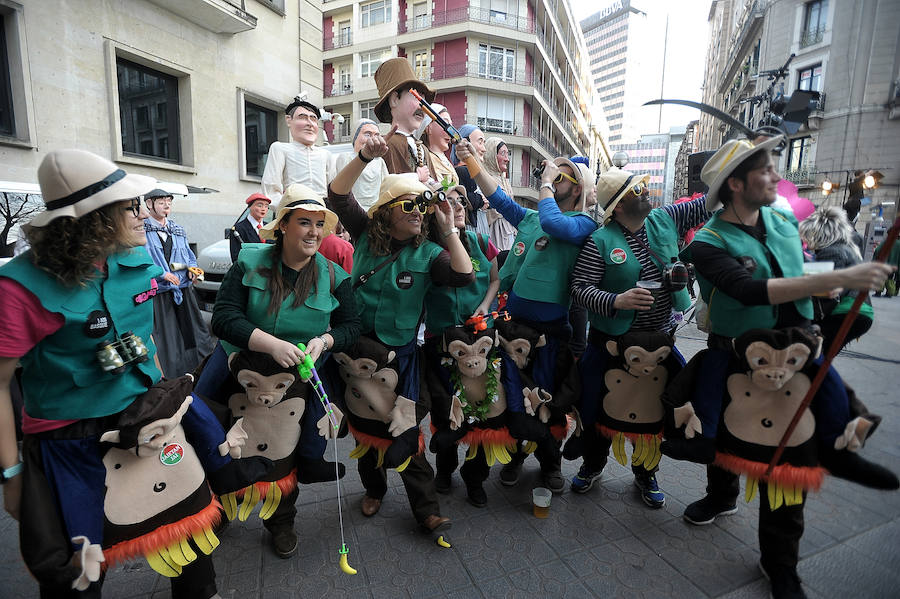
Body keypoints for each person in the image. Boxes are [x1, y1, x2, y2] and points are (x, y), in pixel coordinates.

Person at [0, 149, 268, 598]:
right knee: (77, 565)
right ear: (95, 217)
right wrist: (11, 477)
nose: (144, 214)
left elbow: (149, 344)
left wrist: (167, 397)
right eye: (132, 206)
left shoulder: (138, 263)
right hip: (72, 443)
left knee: (189, 529)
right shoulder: (22, 287)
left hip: (150, 420)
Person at [668, 136, 897, 599]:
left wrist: (825, 284)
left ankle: (781, 563)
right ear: (735, 183)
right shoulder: (707, 244)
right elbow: (750, 289)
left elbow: (797, 271)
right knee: (720, 440)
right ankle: (722, 495)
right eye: (766, 170)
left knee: (788, 463)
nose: (778, 176)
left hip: (792, 359)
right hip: (735, 359)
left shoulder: (783, 219)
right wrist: (842, 276)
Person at [327, 129, 474, 537]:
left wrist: (447, 228)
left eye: (421, 207)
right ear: (386, 211)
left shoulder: (430, 252)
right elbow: (337, 196)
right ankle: (373, 489)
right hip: (355, 355)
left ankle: (426, 510)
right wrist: (362, 158)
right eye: (408, 205)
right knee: (366, 426)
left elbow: (464, 275)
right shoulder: (364, 235)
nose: (417, 213)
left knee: (406, 431)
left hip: (402, 360)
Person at [211, 183, 361, 558]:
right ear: (282, 226)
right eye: (303, 222)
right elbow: (223, 319)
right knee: (206, 417)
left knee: (301, 437)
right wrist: (270, 344)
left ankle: (281, 520)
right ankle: (217, 508)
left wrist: (325, 342)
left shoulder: (333, 275)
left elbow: (351, 326)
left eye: (318, 223)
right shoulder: (248, 261)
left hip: (303, 369)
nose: (313, 232)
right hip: (239, 360)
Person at [456, 140, 597, 493]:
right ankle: (516, 456)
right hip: (514, 328)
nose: (551, 178)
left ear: (577, 186)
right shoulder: (534, 217)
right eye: (552, 175)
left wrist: (546, 182)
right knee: (513, 399)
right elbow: (500, 200)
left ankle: (550, 463)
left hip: (551, 334)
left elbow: (555, 225)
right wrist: (472, 160)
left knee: (547, 400)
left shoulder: (582, 223)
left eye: (561, 175)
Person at [567, 167, 711, 508]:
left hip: (658, 340)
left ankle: (646, 471)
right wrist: (617, 300)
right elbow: (579, 290)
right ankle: (593, 462)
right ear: (617, 205)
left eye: (644, 186)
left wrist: (739, 164)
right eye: (637, 189)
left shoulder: (664, 218)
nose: (646, 192)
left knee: (654, 410)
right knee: (598, 404)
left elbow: (709, 203)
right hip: (611, 341)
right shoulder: (600, 241)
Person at [420, 184, 503, 506]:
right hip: (442, 342)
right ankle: (445, 467)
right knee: (446, 409)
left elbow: (495, 279)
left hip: (481, 339)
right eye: (447, 203)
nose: (454, 207)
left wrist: (486, 304)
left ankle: (475, 477)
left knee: (484, 409)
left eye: (459, 202)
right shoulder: (427, 249)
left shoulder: (481, 242)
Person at [142, 188, 215, 378]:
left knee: (192, 334)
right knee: (166, 338)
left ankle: (198, 371)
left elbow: (189, 257)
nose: (166, 205)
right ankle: (171, 377)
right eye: (161, 202)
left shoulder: (177, 229)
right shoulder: (141, 230)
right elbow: (139, 260)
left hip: (183, 291)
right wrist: (162, 273)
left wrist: (192, 269)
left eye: (169, 201)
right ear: (149, 204)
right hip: (159, 294)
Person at [798, 206, 874, 352]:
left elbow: (829, 294)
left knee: (812, 351)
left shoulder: (832, 251)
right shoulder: (847, 247)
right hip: (859, 312)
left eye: (809, 234)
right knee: (822, 355)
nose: (806, 240)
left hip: (848, 312)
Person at [261, 97, 336, 202]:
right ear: (288, 120)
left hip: (322, 211)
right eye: (303, 117)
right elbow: (271, 189)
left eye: (313, 119)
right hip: (293, 209)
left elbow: (333, 190)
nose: (309, 124)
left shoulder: (326, 154)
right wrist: (287, 210)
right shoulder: (280, 149)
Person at [372, 57, 435, 181]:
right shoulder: (387, 145)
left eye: (424, 101)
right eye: (416, 97)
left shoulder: (423, 149)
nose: (422, 107)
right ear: (395, 99)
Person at [333, 120, 389, 213]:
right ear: (355, 136)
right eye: (367, 134)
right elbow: (341, 187)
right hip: (352, 211)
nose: (373, 139)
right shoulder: (346, 157)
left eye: (376, 135)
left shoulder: (379, 161)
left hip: (375, 210)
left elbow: (386, 186)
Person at [480, 138, 517, 255]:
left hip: (510, 231)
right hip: (495, 232)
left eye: (508, 154)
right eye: (502, 154)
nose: (507, 159)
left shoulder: (505, 180)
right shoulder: (485, 179)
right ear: (491, 155)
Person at [450, 125, 488, 231]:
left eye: (484, 143)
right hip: (470, 227)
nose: (484, 149)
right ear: (466, 142)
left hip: (481, 224)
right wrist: (481, 200)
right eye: (480, 142)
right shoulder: (461, 171)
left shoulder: (478, 173)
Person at [416, 103, 459, 188]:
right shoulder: (423, 158)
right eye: (445, 124)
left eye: (451, 125)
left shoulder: (447, 161)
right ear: (428, 127)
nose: (450, 132)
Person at [229, 193, 271, 262]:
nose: (263, 209)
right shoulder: (238, 229)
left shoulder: (270, 227)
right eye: (260, 205)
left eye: (266, 206)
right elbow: (236, 258)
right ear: (250, 207)